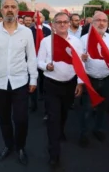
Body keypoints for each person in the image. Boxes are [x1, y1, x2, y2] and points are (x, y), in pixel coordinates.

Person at [0, 0, 38, 165]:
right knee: (4, 118)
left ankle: (20, 147)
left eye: (13, 7)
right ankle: (8, 145)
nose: (10, 9)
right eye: (6, 7)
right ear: (1, 10)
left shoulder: (26, 32)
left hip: (20, 82)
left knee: (21, 119)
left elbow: (31, 57)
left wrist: (33, 78)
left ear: (18, 11)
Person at [37, 12, 83, 168]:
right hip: (52, 85)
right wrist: (46, 66)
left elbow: (80, 65)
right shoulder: (46, 42)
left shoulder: (76, 42)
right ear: (53, 24)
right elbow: (39, 62)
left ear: (69, 23)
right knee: (53, 119)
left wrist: (80, 82)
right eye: (59, 22)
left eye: (65, 22)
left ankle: (61, 130)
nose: (63, 24)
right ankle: (54, 154)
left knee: (63, 113)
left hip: (70, 84)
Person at [79, 11, 109, 147]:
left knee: (103, 107)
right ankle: (84, 133)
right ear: (92, 23)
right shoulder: (84, 39)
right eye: (98, 20)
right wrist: (82, 58)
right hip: (90, 79)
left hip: (107, 79)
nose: (101, 23)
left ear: (107, 23)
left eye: (104, 21)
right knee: (87, 109)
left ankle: (98, 129)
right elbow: (78, 60)